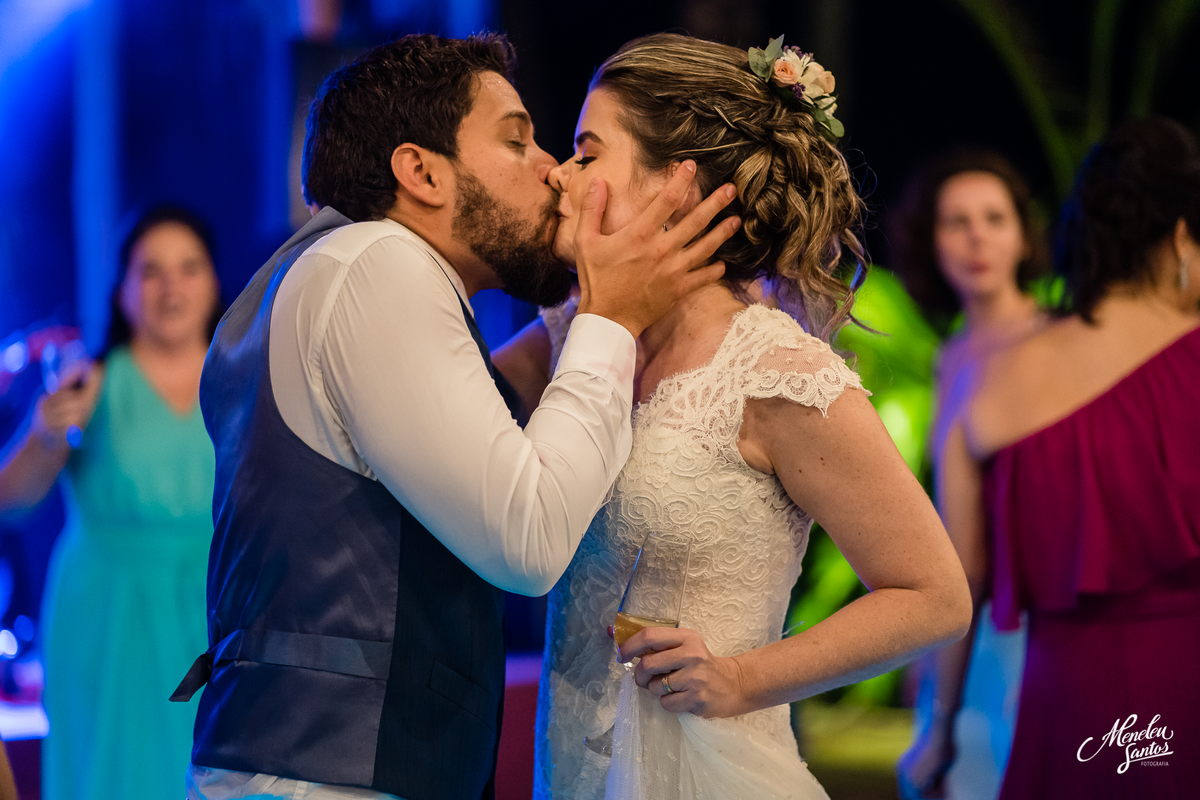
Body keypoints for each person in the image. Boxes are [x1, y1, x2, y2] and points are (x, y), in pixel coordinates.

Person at [173, 33, 740, 800]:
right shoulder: (377, 263)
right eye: (517, 140)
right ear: (422, 173)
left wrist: (615, 297)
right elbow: (527, 538)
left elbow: (475, 443)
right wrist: (611, 316)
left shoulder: (331, 272)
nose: (552, 168)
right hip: (329, 775)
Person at [527, 33, 972, 799]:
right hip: (574, 769)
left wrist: (740, 678)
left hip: (708, 771)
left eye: (586, 152)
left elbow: (935, 597)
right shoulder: (578, 332)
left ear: (677, 184)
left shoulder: (778, 372)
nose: (560, 176)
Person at [929, 116, 1200, 799]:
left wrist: (939, 732)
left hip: (1067, 705)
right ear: (1179, 237)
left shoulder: (982, 380)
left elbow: (960, 576)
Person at [0, 206, 222, 800]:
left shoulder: (243, 379)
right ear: (122, 289)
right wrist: (46, 435)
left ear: (214, 281)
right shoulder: (87, 381)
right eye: (151, 271)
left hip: (214, 613)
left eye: (188, 267)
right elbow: (11, 500)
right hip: (108, 616)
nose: (171, 287)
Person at [891, 149, 1048, 799]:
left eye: (994, 218)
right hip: (969, 625)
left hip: (1038, 627)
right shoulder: (951, 355)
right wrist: (929, 655)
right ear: (931, 241)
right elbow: (958, 539)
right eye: (956, 221)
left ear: (1023, 237)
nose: (977, 236)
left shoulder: (1060, 342)